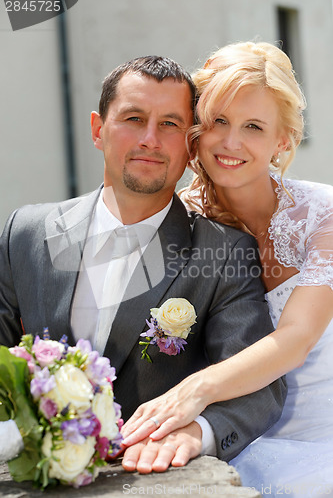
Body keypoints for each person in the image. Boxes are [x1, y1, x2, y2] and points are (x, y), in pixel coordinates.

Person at [0, 55, 286, 474]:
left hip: (150, 476)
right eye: (134, 118)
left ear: (190, 145)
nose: (150, 139)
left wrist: (196, 433)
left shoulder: (225, 253)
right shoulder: (23, 232)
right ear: (99, 130)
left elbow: (260, 386)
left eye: (170, 124)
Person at [120, 42, 333, 495]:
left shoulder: (324, 216)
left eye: (253, 126)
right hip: (239, 435)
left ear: (283, 140)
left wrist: (196, 391)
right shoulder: (178, 223)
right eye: (218, 121)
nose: (231, 142)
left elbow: (296, 339)